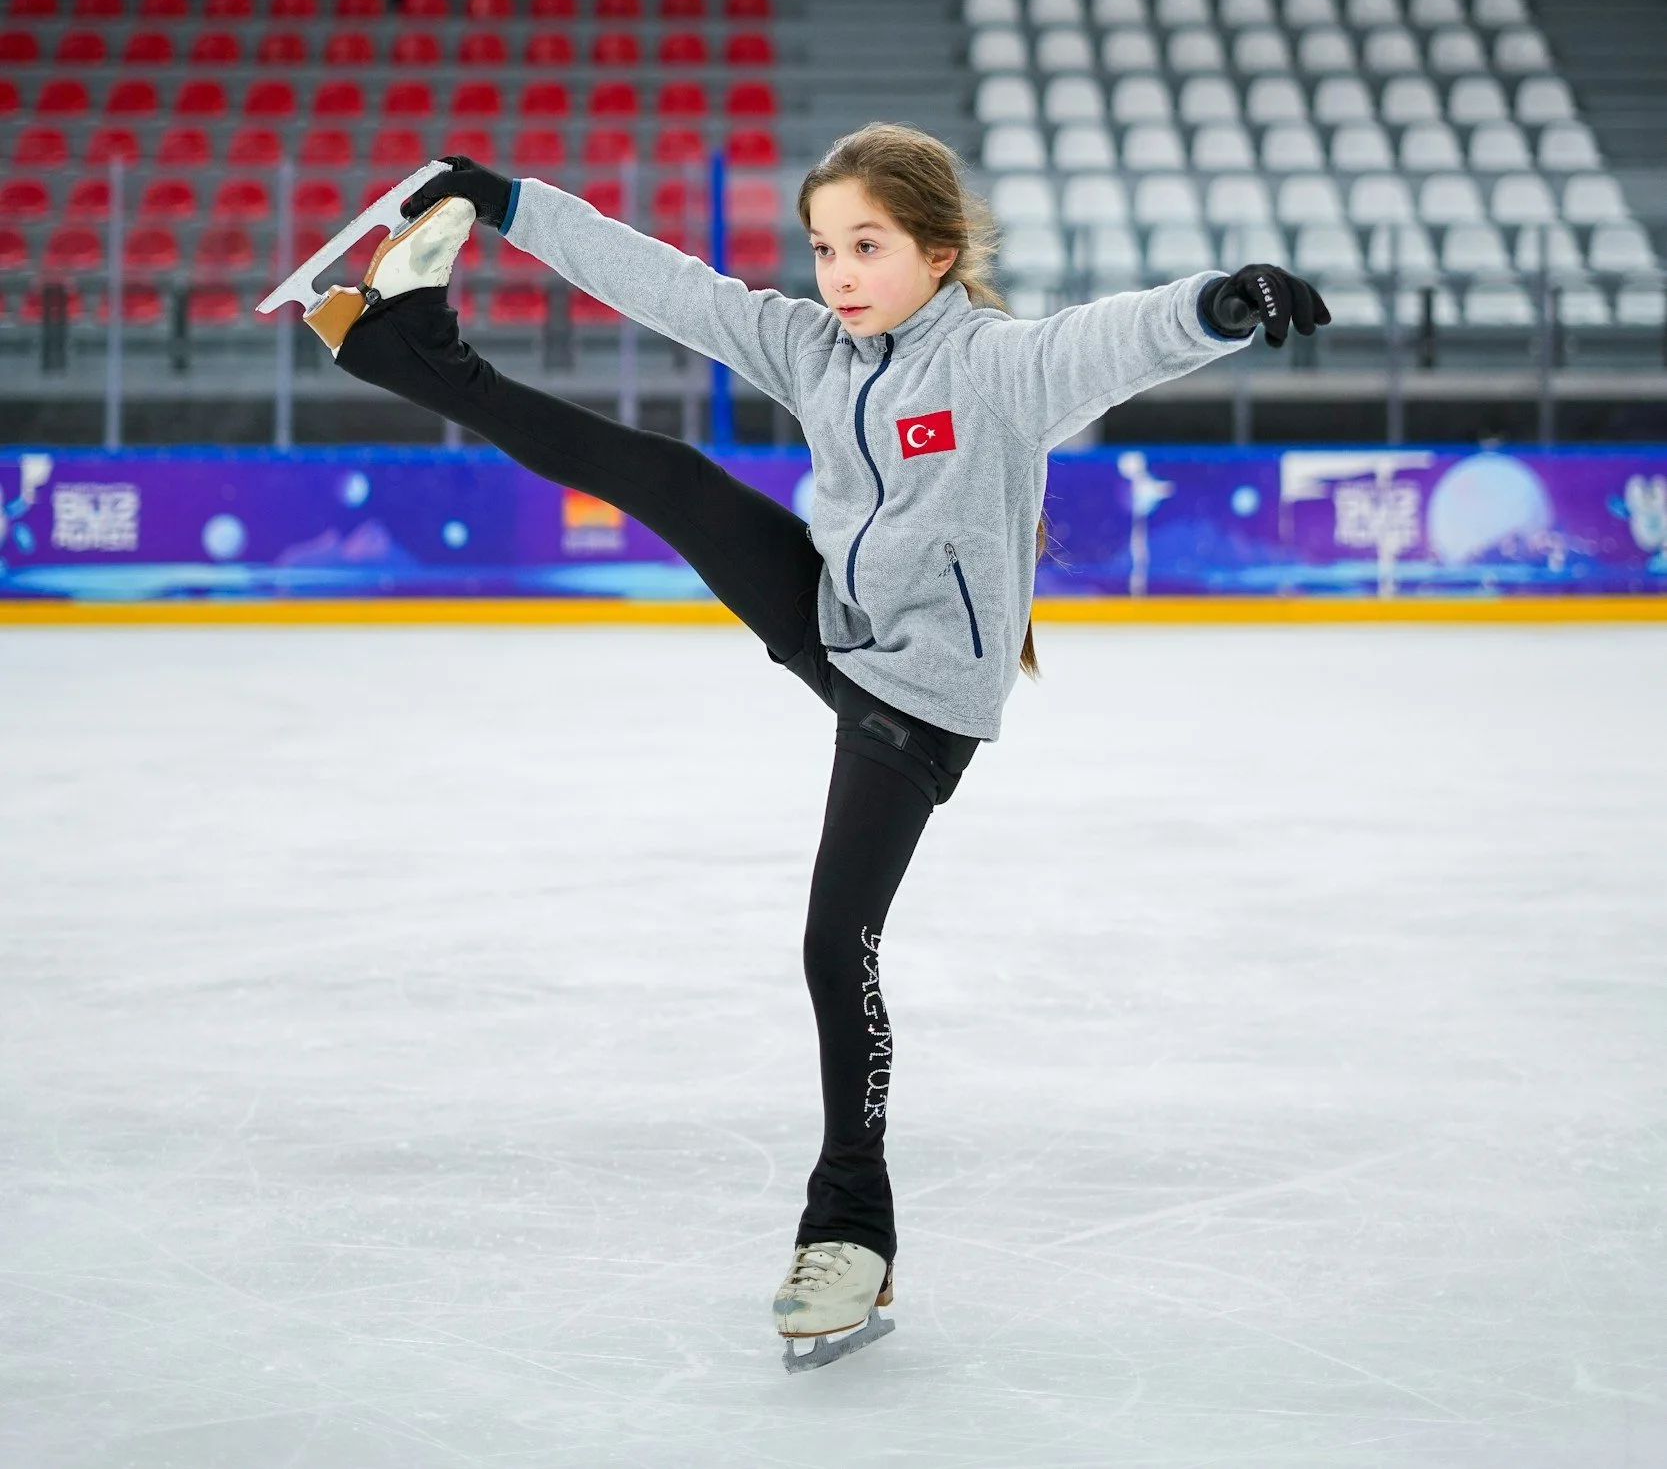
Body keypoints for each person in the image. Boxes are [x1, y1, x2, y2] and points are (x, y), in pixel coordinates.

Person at [281, 125, 1329, 1370]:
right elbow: (666, 282)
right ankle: (409, 342)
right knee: (662, 471)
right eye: (825, 245)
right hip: (829, 615)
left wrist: (1221, 300)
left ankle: (851, 1230)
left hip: (921, 700)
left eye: (868, 246)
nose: (838, 270)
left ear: (938, 254)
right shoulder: (815, 349)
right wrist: (505, 200)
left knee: (836, 939)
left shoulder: (993, 367)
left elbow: (1106, 339)